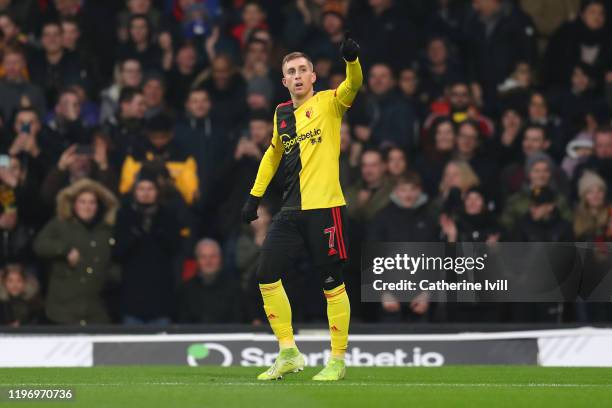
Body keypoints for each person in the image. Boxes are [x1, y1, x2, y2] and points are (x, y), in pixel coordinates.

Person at [240, 33, 362, 381]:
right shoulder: (281, 114)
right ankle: (288, 352)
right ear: (284, 80)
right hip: (290, 211)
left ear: (313, 77)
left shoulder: (329, 103)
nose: (297, 75)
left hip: (326, 208)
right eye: (290, 71)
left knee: (330, 282)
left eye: (302, 70)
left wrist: (352, 61)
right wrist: (254, 196)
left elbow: (353, 84)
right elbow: (273, 154)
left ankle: (337, 360)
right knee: (265, 274)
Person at [33, 179, 120, 325]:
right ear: (74, 204)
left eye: (92, 202)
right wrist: (64, 250)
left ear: (99, 206)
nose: (87, 207)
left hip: (97, 310)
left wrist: (111, 275)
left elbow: (119, 258)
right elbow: (39, 245)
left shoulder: (107, 230)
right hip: (63, 310)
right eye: (82, 202)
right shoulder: (60, 223)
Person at [176, 239, 240, 323]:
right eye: (203, 257)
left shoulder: (234, 288)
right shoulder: (186, 290)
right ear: (197, 260)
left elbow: (238, 320)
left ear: (220, 259)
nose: (208, 261)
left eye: (213, 256)